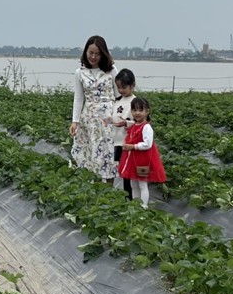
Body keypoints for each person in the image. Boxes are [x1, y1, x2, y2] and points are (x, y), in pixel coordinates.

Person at [69, 35, 118, 182]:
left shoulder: (111, 70)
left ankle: (109, 190)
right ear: (85, 52)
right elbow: (79, 98)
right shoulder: (80, 73)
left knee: (108, 153)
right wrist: (75, 121)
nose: (93, 57)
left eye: (97, 53)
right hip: (89, 119)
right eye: (91, 53)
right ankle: (94, 189)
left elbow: (118, 94)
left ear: (103, 54)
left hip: (108, 118)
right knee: (91, 152)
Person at [118, 97, 167, 208]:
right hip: (133, 159)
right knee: (133, 184)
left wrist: (133, 146)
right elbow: (129, 125)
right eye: (134, 110)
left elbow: (148, 144)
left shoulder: (147, 127)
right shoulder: (135, 125)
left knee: (142, 184)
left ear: (147, 111)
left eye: (141, 110)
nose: (137, 113)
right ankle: (136, 204)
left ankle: (144, 206)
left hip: (142, 160)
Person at [106, 68, 136, 198]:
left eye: (124, 87)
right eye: (119, 87)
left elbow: (142, 123)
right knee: (116, 169)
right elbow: (114, 117)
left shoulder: (135, 102)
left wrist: (127, 123)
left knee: (127, 173)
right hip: (116, 141)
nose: (121, 90)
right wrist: (108, 120)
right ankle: (117, 197)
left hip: (127, 143)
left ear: (132, 85)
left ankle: (129, 198)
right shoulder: (117, 101)